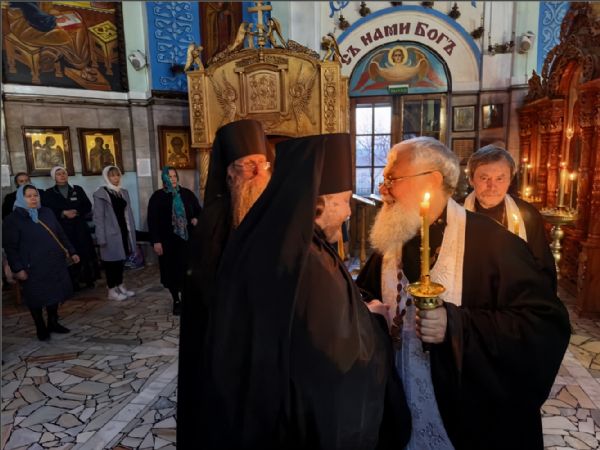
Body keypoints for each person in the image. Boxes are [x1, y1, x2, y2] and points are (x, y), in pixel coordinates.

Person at [356, 136, 571, 450]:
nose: (383, 189)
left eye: (392, 179)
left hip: (470, 422)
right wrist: (369, 309)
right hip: (402, 411)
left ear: (432, 180)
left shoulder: (496, 244)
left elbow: (545, 325)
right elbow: (364, 293)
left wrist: (456, 325)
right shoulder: (393, 240)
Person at [199, 133, 411, 449]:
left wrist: (356, 309)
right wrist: (376, 322)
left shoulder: (285, 242)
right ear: (317, 204)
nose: (349, 212)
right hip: (301, 422)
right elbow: (336, 356)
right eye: (344, 201)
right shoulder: (309, 261)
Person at [177, 119, 272, 448]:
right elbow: (206, 290)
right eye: (248, 165)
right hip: (225, 340)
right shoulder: (214, 221)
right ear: (230, 172)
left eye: (263, 164)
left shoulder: (272, 212)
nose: (258, 173)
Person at [464, 145, 556, 287]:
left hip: (514, 293)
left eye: (500, 179)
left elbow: (542, 267)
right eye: (484, 178)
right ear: (471, 179)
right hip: (469, 291)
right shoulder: (456, 213)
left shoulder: (528, 215)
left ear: (510, 180)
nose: (492, 186)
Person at [3, 185, 79, 341]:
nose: (33, 198)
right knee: (36, 297)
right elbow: (10, 248)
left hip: (54, 262)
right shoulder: (13, 219)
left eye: (35, 195)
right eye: (29, 196)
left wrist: (72, 251)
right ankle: (40, 327)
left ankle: (53, 322)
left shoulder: (47, 212)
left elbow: (60, 233)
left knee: (55, 294)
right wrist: (18, 268)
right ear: (21, 198)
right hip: (32, 266)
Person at [147, 166, 201, 315]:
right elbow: (152, 221)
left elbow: (198, 211)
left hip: (186, 241)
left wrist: (196, 218)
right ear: (164, 179)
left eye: (174, 176)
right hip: (168, 242)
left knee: (187, 270)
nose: (173, 179)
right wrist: (156, 241)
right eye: (169, 177)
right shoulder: (157, 197)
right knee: (172, 271)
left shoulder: (187, 194)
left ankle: (187, 298)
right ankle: (176, 300)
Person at [42, 166, 100, 290]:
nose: (62, 176)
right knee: (69, 254)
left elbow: (87, 206)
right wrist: (63, 213)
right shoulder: (49, 193)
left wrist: (77, 212)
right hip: (63, 229)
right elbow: (48, 210)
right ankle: (73, 283)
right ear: (54, 177)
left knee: (85, 252)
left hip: (80, 227)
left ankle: (88, 279)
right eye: (59, 174)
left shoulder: (77, 189)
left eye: (64, 173)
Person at [93, 166, 137, 301]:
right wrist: (101, 237)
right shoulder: (101, 193)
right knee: (111, 263)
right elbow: (98, 217)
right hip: (109, 234)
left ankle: (120, 285)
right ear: (107, 177)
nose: (116, 178)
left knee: (120, 260)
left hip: (123, 231)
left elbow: (127, 213)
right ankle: (111, 289)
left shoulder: (122, 192)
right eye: (112, 176)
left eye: (117, 175)